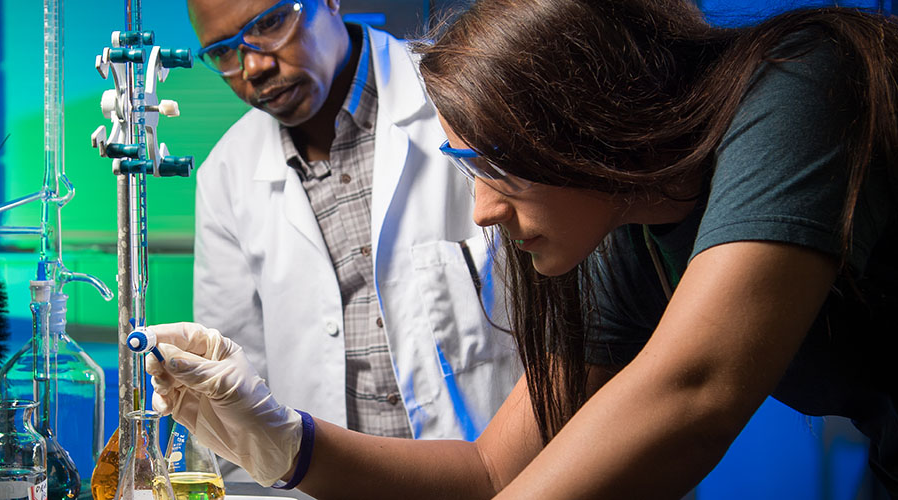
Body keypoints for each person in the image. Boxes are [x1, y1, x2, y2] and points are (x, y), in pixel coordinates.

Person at [146, 0, 898, 497]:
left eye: (492, 165)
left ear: (585, 121)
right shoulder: (623, 243)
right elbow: (488, 470)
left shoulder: (802, 80)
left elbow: (694, 388)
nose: (480, 210)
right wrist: (287, 442)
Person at [185, 0, 522, 459]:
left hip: (503, 473)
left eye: (270, 23)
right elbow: (234, 379)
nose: (254, 66)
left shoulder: (465, 90)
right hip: (328, 482)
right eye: (223, 52)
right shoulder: (226, 175)